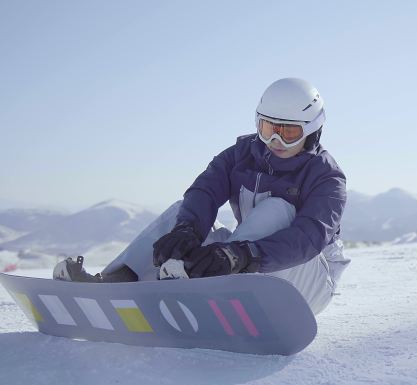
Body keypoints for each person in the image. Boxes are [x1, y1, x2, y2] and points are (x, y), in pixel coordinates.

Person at [53, 78, 350, 314]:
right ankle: (116, 284)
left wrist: (243, 254)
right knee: (181, 212)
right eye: (268, 128)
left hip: (307, 281)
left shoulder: (326, 176)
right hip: (248, 272)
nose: (275, 141)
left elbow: (309, 238)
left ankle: (209, 288)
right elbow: (204, 191)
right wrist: (187, 232)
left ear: (312, 131)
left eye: (288, 134)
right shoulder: (240, 156)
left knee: (277, 209)